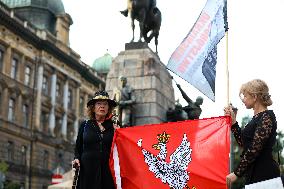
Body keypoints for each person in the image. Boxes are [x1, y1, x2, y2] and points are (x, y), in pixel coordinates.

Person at [224, 79, 280, 187]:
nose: (243, 100)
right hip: (253, 174)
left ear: (254, 97)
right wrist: (234, 122)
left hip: (265, 175)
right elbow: (243, 143)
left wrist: (236, 173)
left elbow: (254, 149)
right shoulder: (256, 119)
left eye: (245, 96)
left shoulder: (267, 117)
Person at [72, 90, 120, 189]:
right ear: (93, 108)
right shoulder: (85, 125)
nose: (102, 106)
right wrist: (76, 158)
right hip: (88, 170)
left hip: (107, 172)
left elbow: (121, 148)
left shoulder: (114, 126)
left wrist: (119, 134)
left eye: (105, 104)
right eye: (99, 103)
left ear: (108, 108)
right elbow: (78, 147)